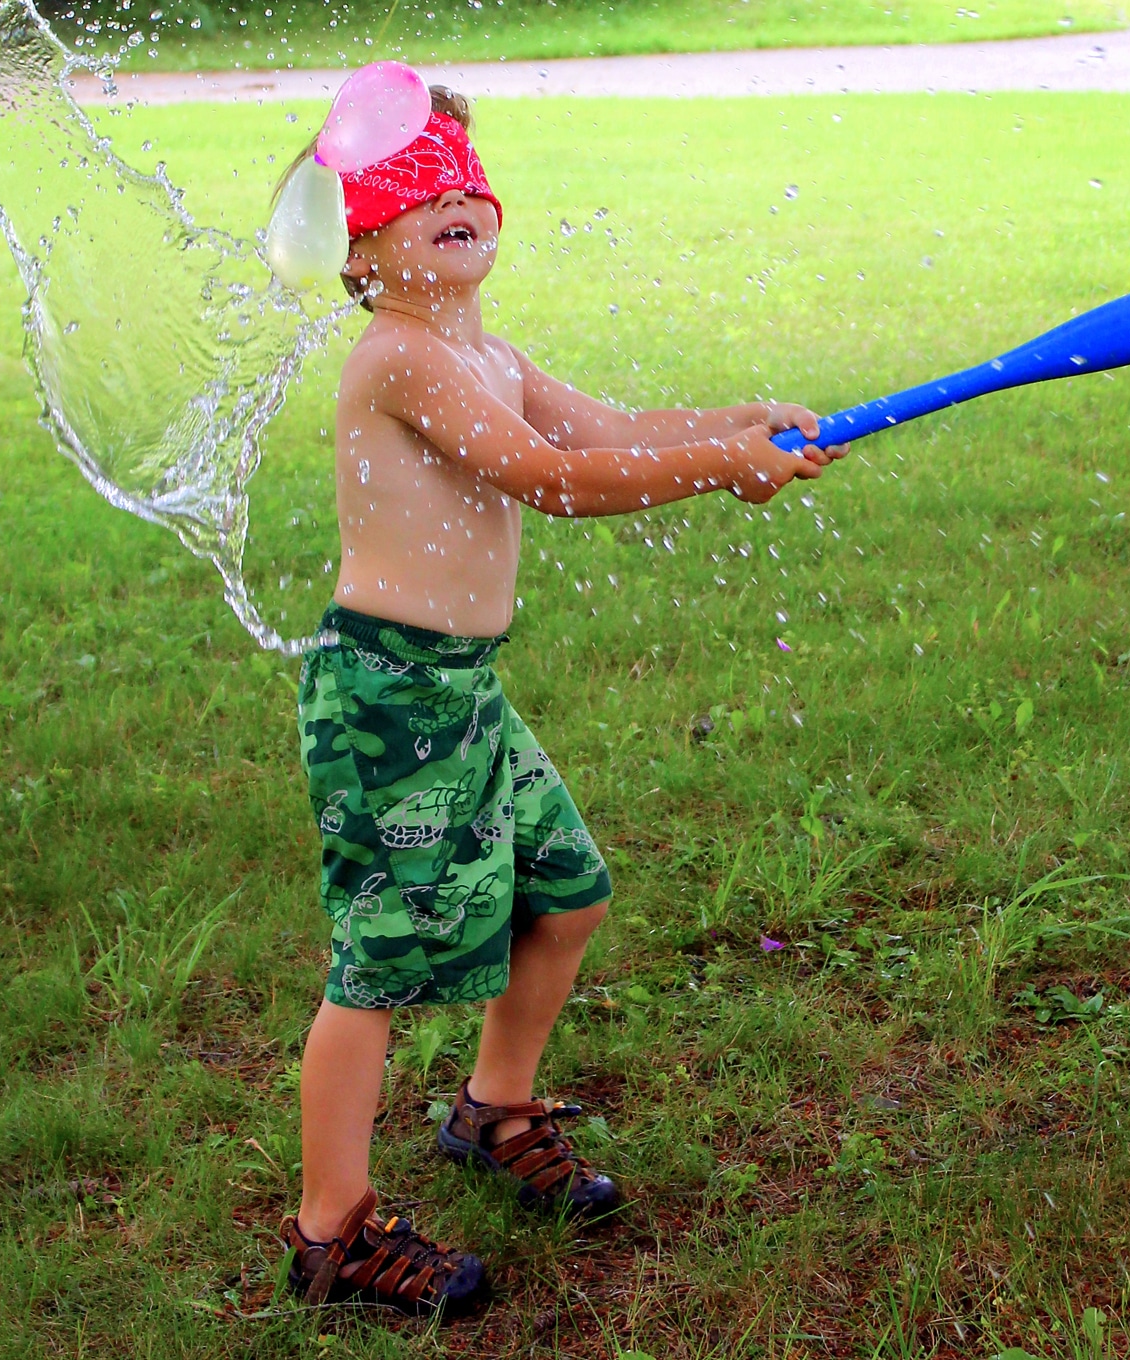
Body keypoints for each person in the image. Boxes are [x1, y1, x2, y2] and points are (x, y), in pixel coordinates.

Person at [279, 81, 846, 1316]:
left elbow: (611, 430)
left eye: (463, 183)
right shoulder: (397, 358)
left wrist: (743, 421)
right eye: (413, 191)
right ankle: (331, 1231)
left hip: (461, 688)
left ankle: (493, 1110)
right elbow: (556, 479)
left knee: (568, 892)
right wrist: (722, 467)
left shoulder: (487, 355)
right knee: (377, 965)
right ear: (358, 252)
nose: (452, 198)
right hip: (389, 699)